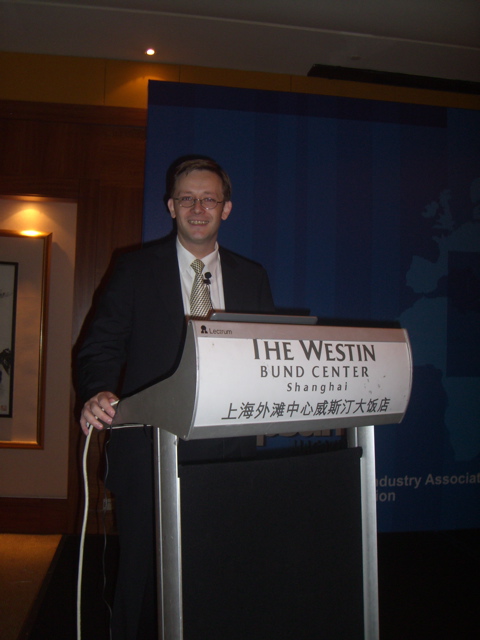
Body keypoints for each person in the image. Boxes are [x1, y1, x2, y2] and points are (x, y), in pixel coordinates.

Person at [76, 157, 275, 639]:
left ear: (226, 208)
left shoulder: (252, 276)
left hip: (227, 455)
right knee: (141, 578)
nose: (198, 208)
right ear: (170, 207)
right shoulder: (135, 268)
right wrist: (97, 390)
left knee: (216, 574)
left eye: (209, 199)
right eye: (187, 198)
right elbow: (100, 345)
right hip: (149, 450)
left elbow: (265, 354)